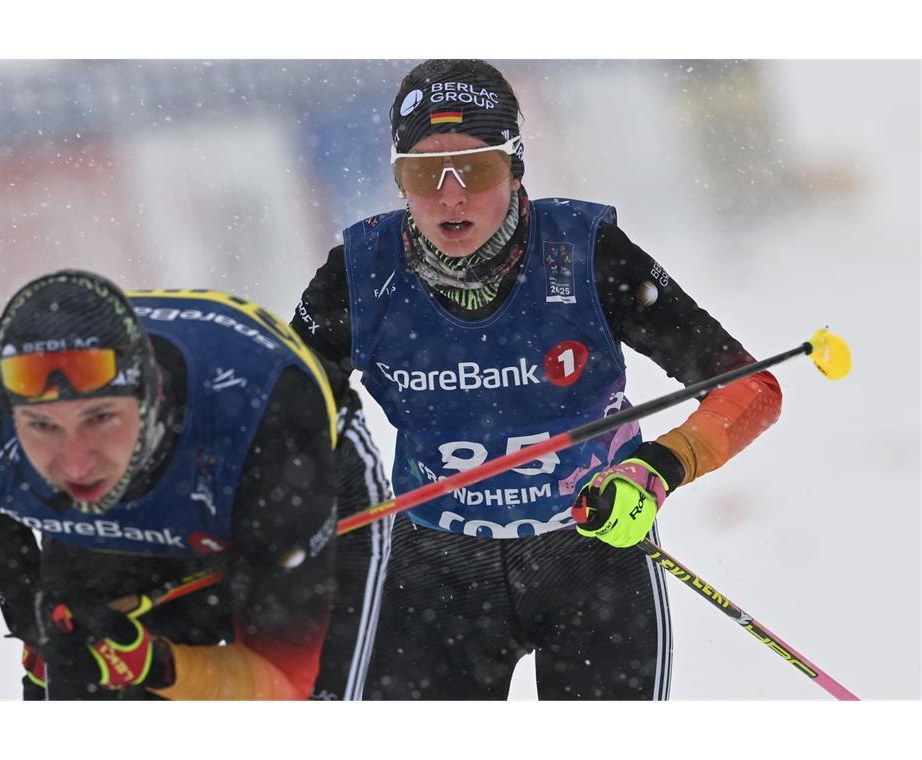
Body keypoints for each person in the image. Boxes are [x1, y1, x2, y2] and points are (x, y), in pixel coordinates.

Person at [291, 59, 784, 700]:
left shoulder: (587, 252)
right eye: (422, 172)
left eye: (476, 167)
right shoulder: (359, 274)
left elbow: (749, 388)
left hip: (590, 550)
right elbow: (284, 415)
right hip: (436, 567)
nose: (449, 195)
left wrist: (655, 469)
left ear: (515, 164)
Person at [0, 269, 390, 700]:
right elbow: (36, 604)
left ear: (150, 399)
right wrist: (34, 607)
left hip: (276, 473)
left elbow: (282, 686)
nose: (75, 463)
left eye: (99, 418)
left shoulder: (271, 429)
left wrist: (155, 664)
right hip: (135, 500)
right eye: (42, 426)